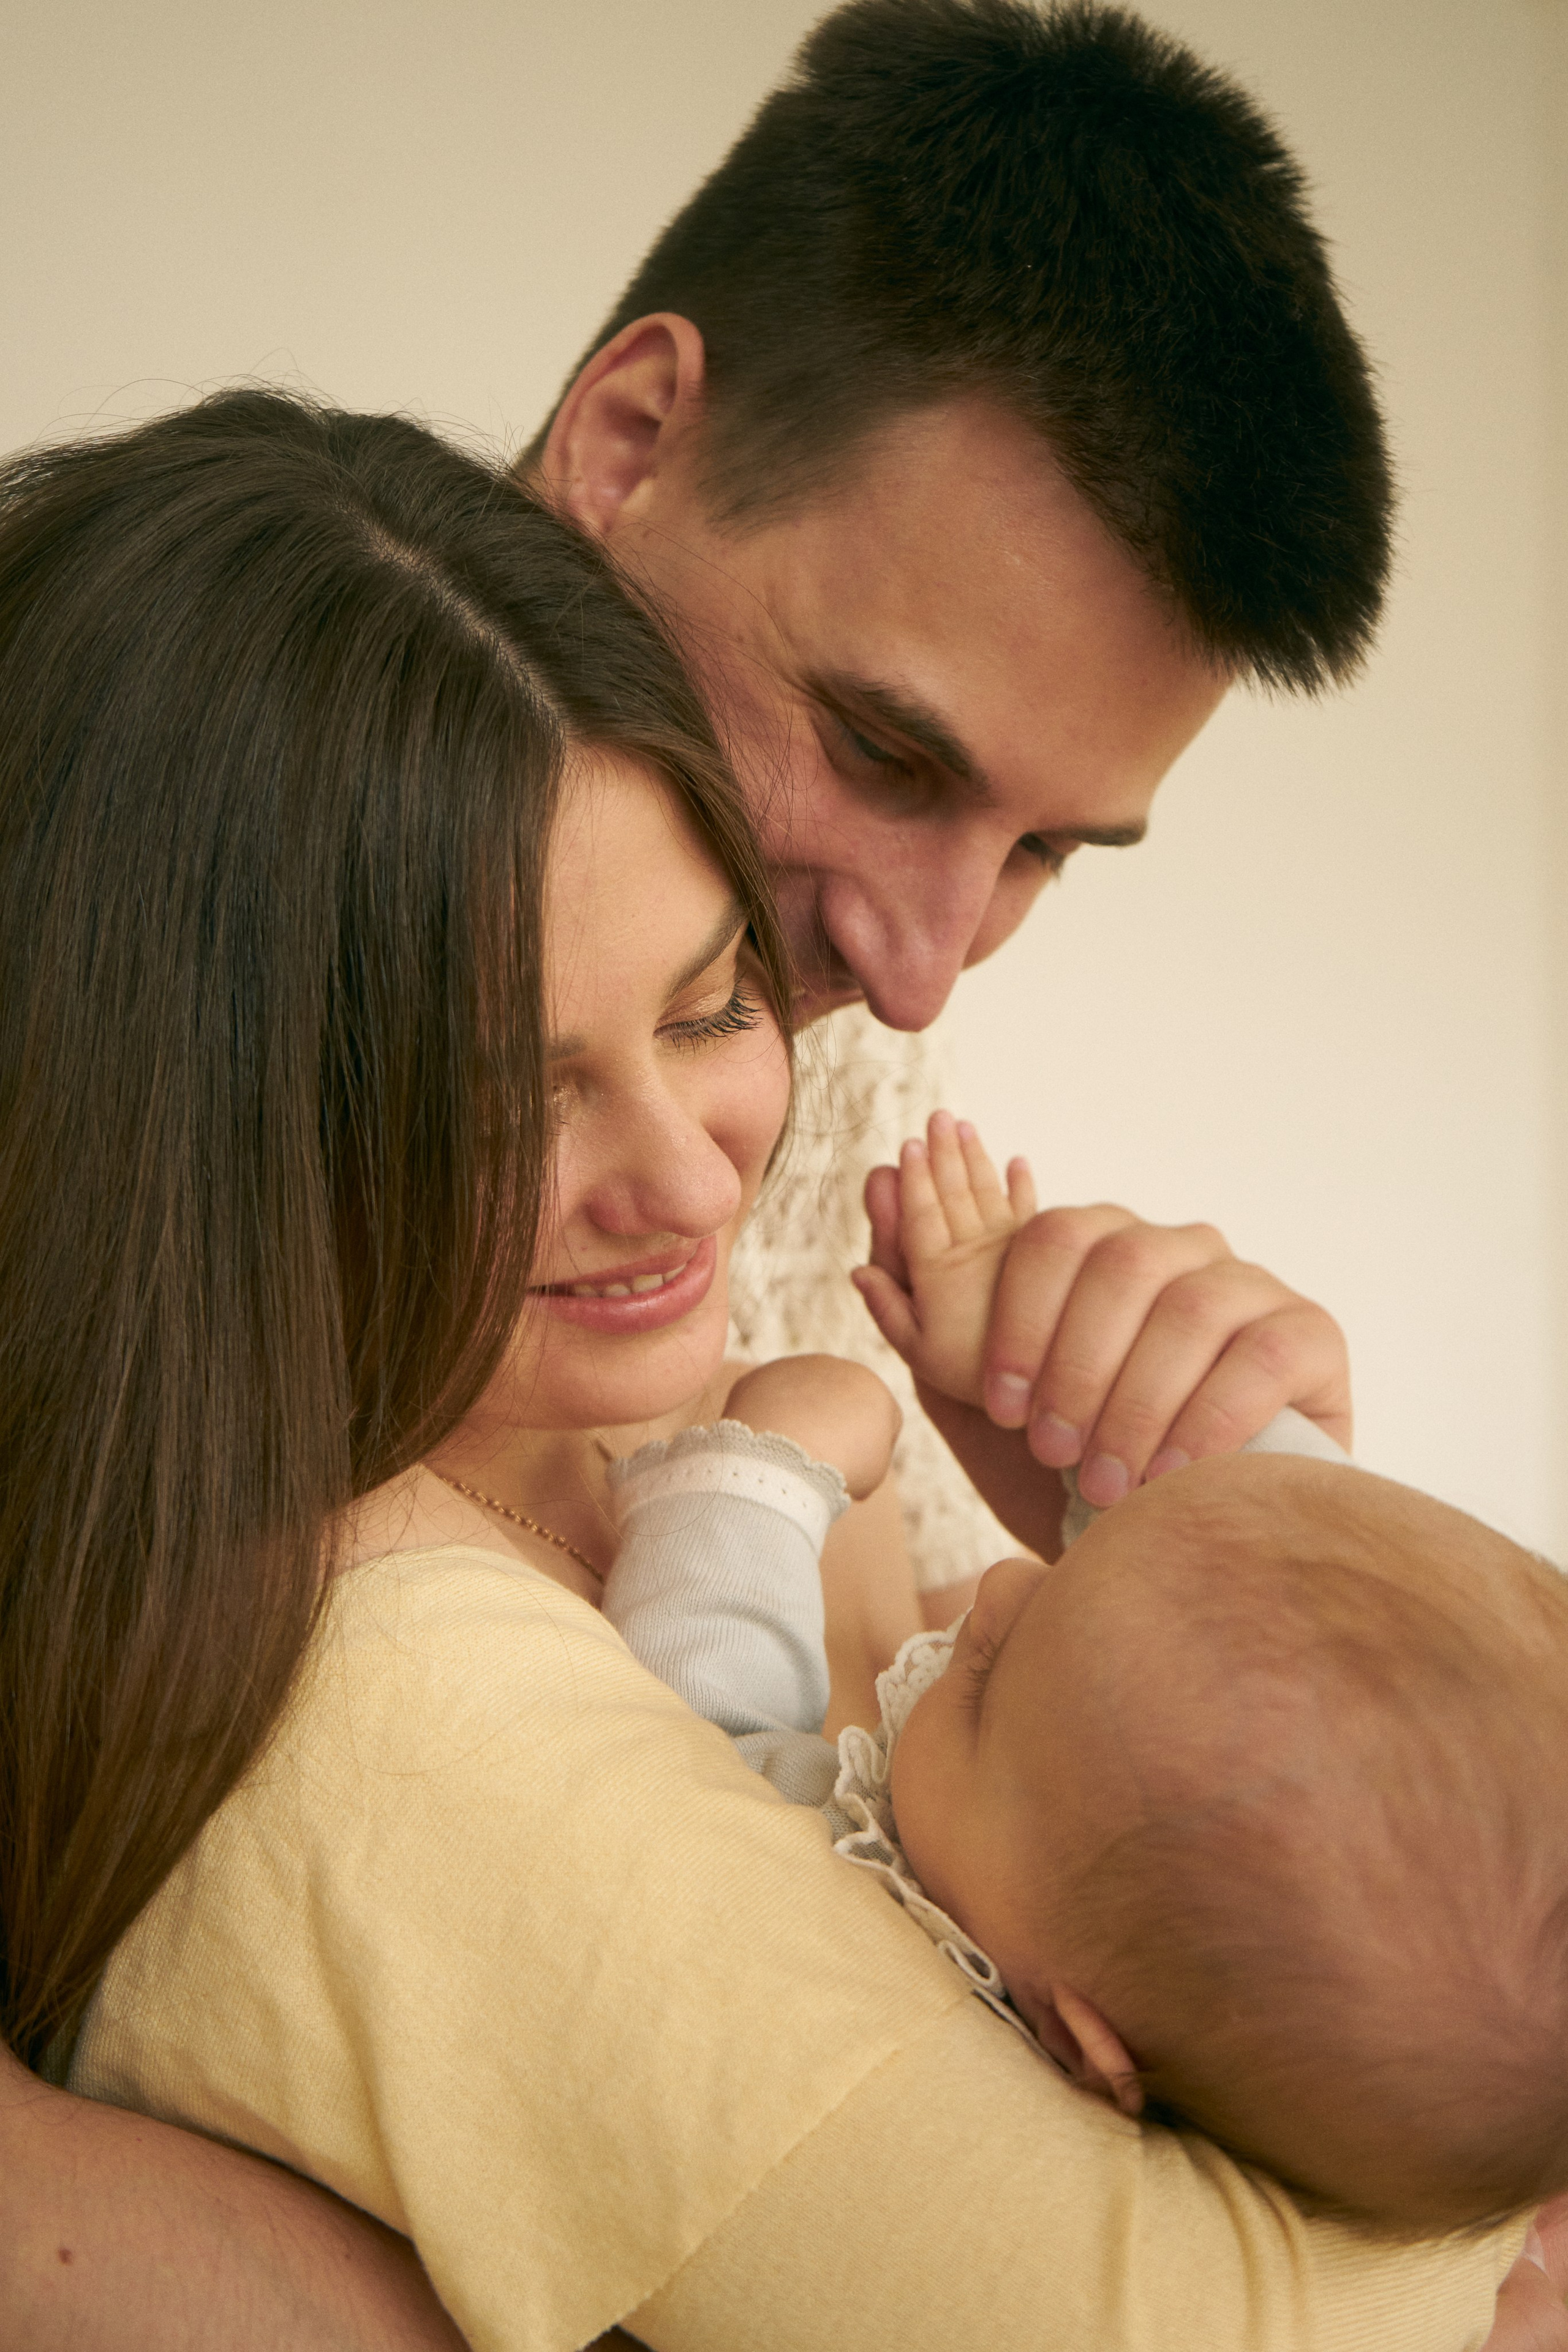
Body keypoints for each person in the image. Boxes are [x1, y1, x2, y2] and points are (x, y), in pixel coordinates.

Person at [0, 390, 1539, 2352]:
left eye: (716, 999)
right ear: (184, 1125)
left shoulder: (657, 1379)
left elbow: (1265, 1942)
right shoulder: (381, 1694)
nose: (696, 1168)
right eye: (502, 1098)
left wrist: (1226, 1517)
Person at [597, 1121, 1568, 2237]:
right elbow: (1242, 1573)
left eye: (987, 1679)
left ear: (1074, 2044)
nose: (999, 1589)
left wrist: (760, 1469)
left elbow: (694, 1724)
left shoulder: (873, 1959)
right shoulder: (1136, 1930)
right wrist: (1034, 1354)